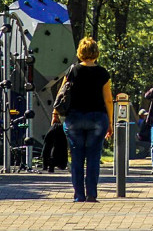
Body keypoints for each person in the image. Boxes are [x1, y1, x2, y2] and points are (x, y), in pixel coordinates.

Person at [52, 36, 113, 203]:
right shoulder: (103, 73)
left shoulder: (72, 71)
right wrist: (110, 122)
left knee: (77, 157)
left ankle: (79, 195)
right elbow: (108, 99)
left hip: (74, 118)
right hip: (97, 118)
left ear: (80, 52)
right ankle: (92, 194)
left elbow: (61, 93)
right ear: (96, 52)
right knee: (93, 157)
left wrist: (55, 114)